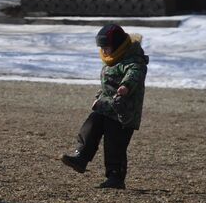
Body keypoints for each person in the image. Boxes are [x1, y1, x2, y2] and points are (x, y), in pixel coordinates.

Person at [60, 24, 148, 189]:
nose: (104, 51)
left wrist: (125, 87)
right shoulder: (113, 60)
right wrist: (99, 97)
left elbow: (134, 73)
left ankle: (115, 176)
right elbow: (107, 84)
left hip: (123, 111)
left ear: (118, 46)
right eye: (102, 48)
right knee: (90, 126)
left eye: (107, 47)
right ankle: (82, 156)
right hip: (106, 106)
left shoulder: (134, 60)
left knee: (115, 143)